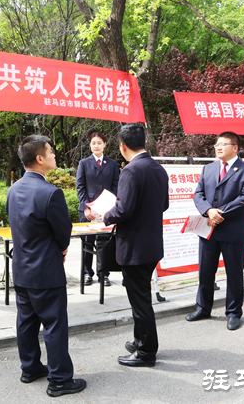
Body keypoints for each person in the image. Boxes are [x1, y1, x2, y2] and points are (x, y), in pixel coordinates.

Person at [6, 135, 87, 397]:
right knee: (54, 324)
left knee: (26, 321)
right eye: (50, 151)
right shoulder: (51, 193)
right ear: (39, 158)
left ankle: (30, 368)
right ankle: (59, 379)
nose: (54, 155)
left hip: (21, 268)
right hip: (46, 269)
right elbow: (63, 232)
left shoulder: (13, 189)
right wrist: (62, 248)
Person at [101, 123, 169, 368]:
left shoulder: (131, 170)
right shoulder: (158, 168)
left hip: (135, 247)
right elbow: (164, 205)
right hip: (151, 244)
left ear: (122, 146)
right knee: (141, 297)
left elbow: (123, 209)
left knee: (140, 302)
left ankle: (146, 352)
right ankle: (140, 340)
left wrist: (105, 215)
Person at [186, 132, 244, 331]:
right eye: (216, 144)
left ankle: (234, 312)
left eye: (223, 144)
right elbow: (198, 194)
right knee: (205, 271)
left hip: (233, 230)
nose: (218, 147)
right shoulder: (208, 168)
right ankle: (203, 308)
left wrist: (219, 213)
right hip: (208, 228)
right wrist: (208, 211)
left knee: (234, 273)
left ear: (235, 148)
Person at [76, 131, 120, 287]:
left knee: (104, 243)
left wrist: (110, 208)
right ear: (90, 145)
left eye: (99, 143)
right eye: (93, 143)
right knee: (87, 244)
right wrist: (86, 207)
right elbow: (80, 187)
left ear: (105, 144)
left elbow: (116, 186)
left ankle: (104, 273)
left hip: (106, 212)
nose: (96, 146)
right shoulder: (84, 163)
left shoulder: (112, 164)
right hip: (88, 211)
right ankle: (87, 273)